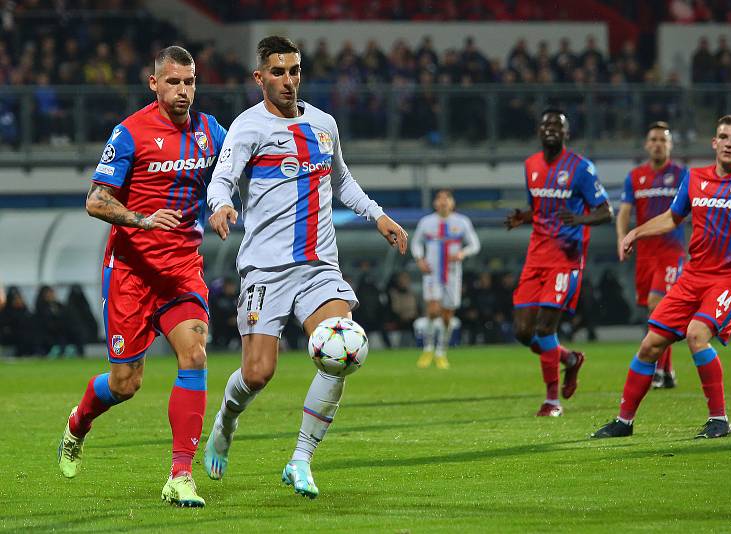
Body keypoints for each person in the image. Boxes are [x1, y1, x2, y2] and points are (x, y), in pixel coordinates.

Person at [203, 36, 407, 499]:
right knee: (257, 374)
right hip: (266, 271)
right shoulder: (247, 128)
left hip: (318, 266)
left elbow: (342, 181)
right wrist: (219, 206)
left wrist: (378, 215)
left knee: (343, 349)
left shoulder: (323, 124)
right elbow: (222, 178)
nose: (288, 80)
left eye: (294, 70)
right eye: (278, 72)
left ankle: (300, 459)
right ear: (260, 77)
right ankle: (227, 420)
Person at [57, 46, 227, 507]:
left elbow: (231, 176)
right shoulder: (130, 132)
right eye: (173, 82)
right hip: (131, 272)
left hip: (181, 270)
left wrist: (223, 203)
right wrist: (142, 219)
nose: (183, 91)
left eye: (190, 82)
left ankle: (180, 474)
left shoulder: (211, 133)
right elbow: (95, 200)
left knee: (194, 353)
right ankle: (78, 423)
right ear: (154, 84)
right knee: (125, 383)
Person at [592, 115, 731, 440]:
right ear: (714, 143)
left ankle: (720, 419)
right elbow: (672, 218)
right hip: (693, 275)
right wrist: (635, 233)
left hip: (730, 277)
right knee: (649, 345)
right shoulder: (694, 178)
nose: (728, 143)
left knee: (697, 334)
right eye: (723, 136)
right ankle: (623, 422)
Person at [505, 109, 613, 417]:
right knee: (523, 332)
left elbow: (605, 211)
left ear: (567, 133)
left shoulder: (581, 168)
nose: (551, 129)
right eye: (546, 125)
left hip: (565, 259)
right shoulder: (531, 166)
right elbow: (539, 208)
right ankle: (569, 359)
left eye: (558, 125)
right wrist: (523, 217)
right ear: (539, 132)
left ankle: (552, 401)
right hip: (536, 255)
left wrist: (579, 219)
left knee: (545, 327)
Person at [616, 122, 686, 388]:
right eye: (653, 139)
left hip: (671, 252)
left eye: (662, 140)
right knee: (651, 311)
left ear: (670, 145)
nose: (658, 143)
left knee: (659, 307)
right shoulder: (635, 177)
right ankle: (667, 371)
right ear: (647, 144)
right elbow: (624, 211)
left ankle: (656, 370)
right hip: (645, 255)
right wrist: (622, 239)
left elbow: (692, 215)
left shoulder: (682, 175)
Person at [411, 189, 481, 369]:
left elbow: (474, 244)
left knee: (447, 316)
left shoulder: (462, 222)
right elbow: (416, 243)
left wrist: (462, 253)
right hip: (432, 273)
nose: (443, 202)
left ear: (452, 202)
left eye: (446, 199)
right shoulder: (427, 222)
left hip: (452, 274)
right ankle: (428, 348)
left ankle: (441, 352)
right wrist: (420, 259)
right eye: (439, 199)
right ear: (435, 203)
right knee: (433, 310)